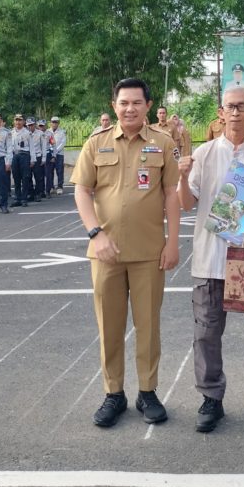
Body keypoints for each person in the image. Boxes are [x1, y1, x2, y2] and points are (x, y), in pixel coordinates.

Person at [72, 77, 180, 429]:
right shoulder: (97, 142)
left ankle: (147, 392)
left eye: (136, 102)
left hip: (150, 252)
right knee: (110, 326)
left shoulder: (163, 143)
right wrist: (95, 233)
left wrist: (173, 242)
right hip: (106, 252)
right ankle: (113, 393)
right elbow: (82, 191)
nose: (129, 108)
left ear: (148, 105)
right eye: (123, 103)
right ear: (114, 106)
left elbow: (172, 195)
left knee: (148, 326)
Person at [177, 85, 244, 434]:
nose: (236, 112)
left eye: (243, 106)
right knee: (206, 333)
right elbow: (186, 204)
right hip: (210, 257)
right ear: (220, 113)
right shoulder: (205, 153)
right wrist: (182, 176)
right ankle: (211, 398)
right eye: (230, 107)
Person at [10, 114, 32, 207]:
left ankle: (24, 199)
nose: (18, 122)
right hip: (15, 155)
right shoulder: (11, 133)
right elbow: (9, 147)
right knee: (16, 177)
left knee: (25, 177)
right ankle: (17, 198)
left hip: (24, 155)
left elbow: (31, 147)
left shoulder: (27, 133)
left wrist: (33, 159)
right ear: (14, 121)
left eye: (20, 120)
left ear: (23, 122)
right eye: (16, 120)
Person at [47, 116, 66, 195]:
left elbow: (63, 143)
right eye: (53, 122)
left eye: (56, 122)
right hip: (50, 154)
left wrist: (56, 151)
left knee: (60, 171)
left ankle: (60, 187)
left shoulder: (62, 132)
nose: (54, 124)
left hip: (59, 154)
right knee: (50, 171)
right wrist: (51, 152)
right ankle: (51, 187)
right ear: (50, 123)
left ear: (58, 123)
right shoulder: (48, 132)